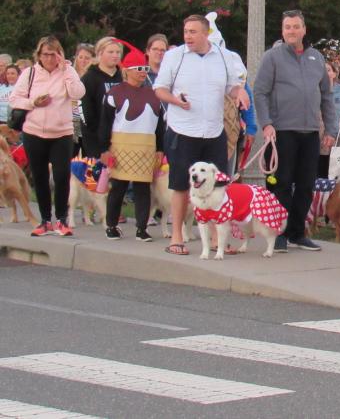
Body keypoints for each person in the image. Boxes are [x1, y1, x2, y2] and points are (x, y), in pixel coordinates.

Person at [154, 14, 249, 255]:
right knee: (180, 185)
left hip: (214, 130)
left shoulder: (224, 57)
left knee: (217, 185)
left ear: (206, 34)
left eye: (193, 32)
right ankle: (177, 237)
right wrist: (175, 100)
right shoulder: (175, 57)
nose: (188, 36)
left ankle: (217, 239)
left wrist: (240, 92)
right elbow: (160, 89)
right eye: (186, 31)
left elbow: (232, 85)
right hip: (182, 130)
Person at [253, 9, 335, 252]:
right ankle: (276, 233)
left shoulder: (316, 58)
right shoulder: (272, 57)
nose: (291, 31)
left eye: (296, 26)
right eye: (287, 27)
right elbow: (260, 92)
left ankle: (297, 233)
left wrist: (330, 129)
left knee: (307, 184)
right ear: (282, 30)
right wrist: (266, 123)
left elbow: (327, 97)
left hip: (310, 132)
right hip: (281, 131)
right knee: (280, 183)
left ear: (304, 29)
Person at [10, 36, 86, 236]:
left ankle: (61, 219)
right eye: (46, 54)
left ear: (60, 54)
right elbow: (14, 99)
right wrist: (33, 103)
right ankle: (45, 220)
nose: (50, 59)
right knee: (40, 176)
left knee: (61, 176)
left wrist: (67, 69)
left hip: (62, 132)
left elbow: (78, 93)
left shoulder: (67, 72)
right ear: (39, 55)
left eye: (54, 54)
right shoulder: (30, 73)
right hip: (34, 131)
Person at [98, 51, 165, 242]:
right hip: (121, 145)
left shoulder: (154, 95)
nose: (143, 73)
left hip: (146, 146)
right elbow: (105, 124)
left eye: (145, 69)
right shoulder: (114, 94)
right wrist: (104, 149)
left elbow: (159, 126)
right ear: (126, 70)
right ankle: (111, 225)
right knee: (118, 186)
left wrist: (160, 148)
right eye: (138, 69)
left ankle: (141, 228)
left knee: (143, 188)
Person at [81, 37, 123, 158]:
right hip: (95, 138)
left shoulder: (123, 76)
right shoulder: (89, 78)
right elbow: (85, 112)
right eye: (110, 52)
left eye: (118, 52)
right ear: (100, 53)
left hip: (120, 136)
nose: (115, 55)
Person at [319, 61, 340, 177]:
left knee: (337, 173)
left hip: (339, 137)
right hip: (320, 138)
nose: (325, 73)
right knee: (322, 171)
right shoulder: (314, 91)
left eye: (328, 70)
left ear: (334, 73)